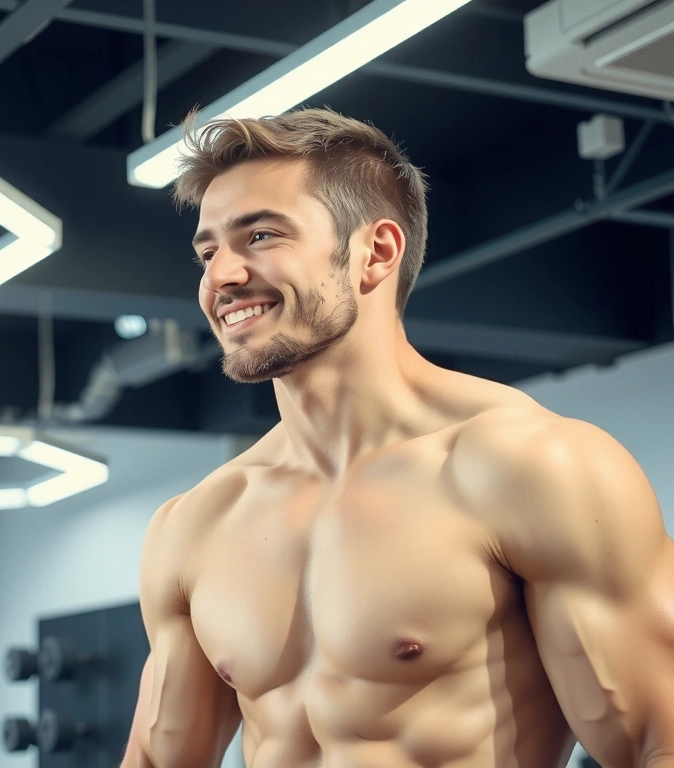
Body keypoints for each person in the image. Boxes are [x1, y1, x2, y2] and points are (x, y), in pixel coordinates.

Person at [119, 108, 674, 768]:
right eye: (208, 252)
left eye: (261, 236)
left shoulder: (530, 468)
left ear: (376, 252)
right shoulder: (194, 525)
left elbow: (655, 744)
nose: (221, 277)